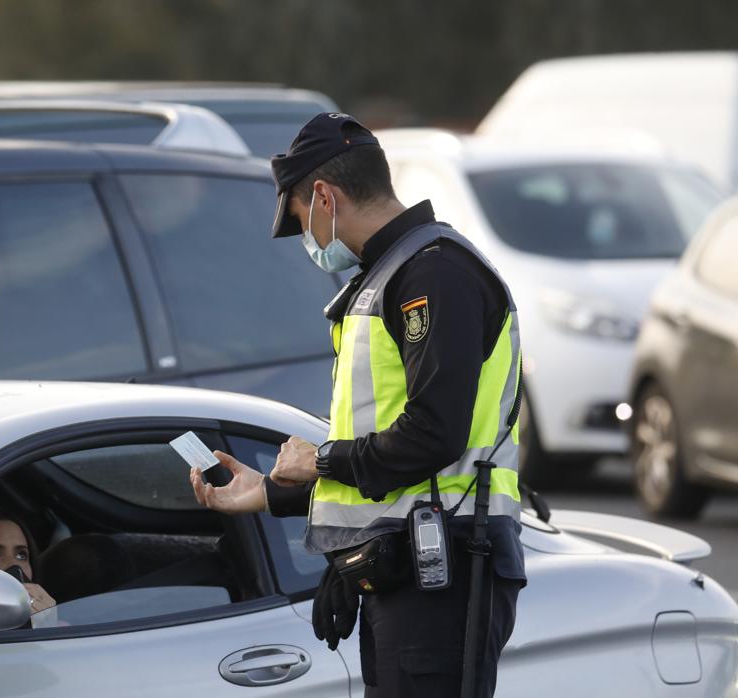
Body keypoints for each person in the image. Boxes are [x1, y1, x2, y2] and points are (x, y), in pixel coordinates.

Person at [191, 113, 524, 697]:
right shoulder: (394, 273)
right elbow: (385, 445)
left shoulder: (434, 274)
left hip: (447, 571)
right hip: (412, 566)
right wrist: (273, 492)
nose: (307, 240)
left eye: (299, 222)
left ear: (324, 196)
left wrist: (318, 461)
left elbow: (433, 435)